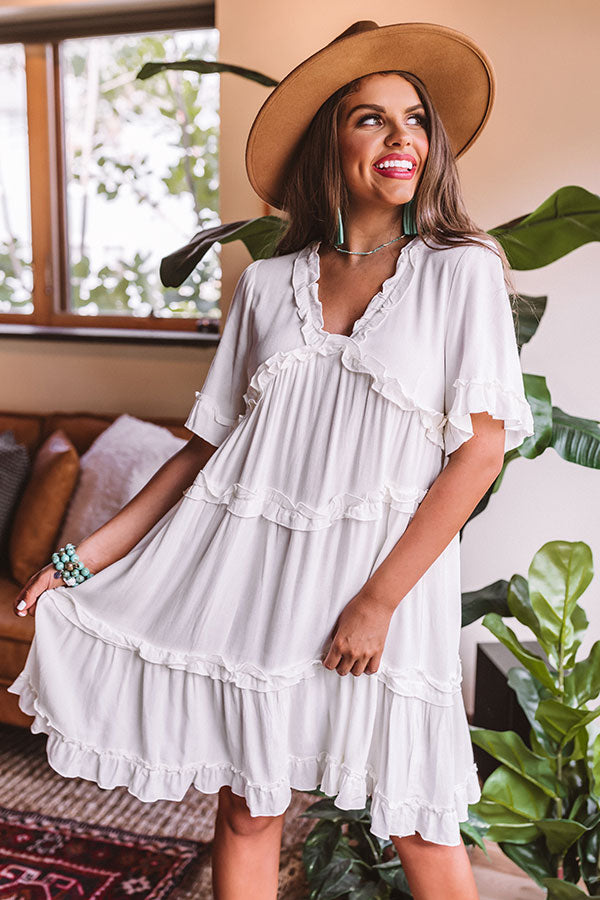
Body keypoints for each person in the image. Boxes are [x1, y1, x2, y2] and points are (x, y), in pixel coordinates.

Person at [9, 19, 535, 900]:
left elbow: (480, 453)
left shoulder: (461, 270)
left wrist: (377, 602)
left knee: (419, 819)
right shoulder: (266, 284)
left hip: (382, 587)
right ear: (331, 141)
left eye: (415, 119)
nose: (401, 136)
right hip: (257, 580)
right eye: (371, 118)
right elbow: (203, 452)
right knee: (248, 813)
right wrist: (79, 560)